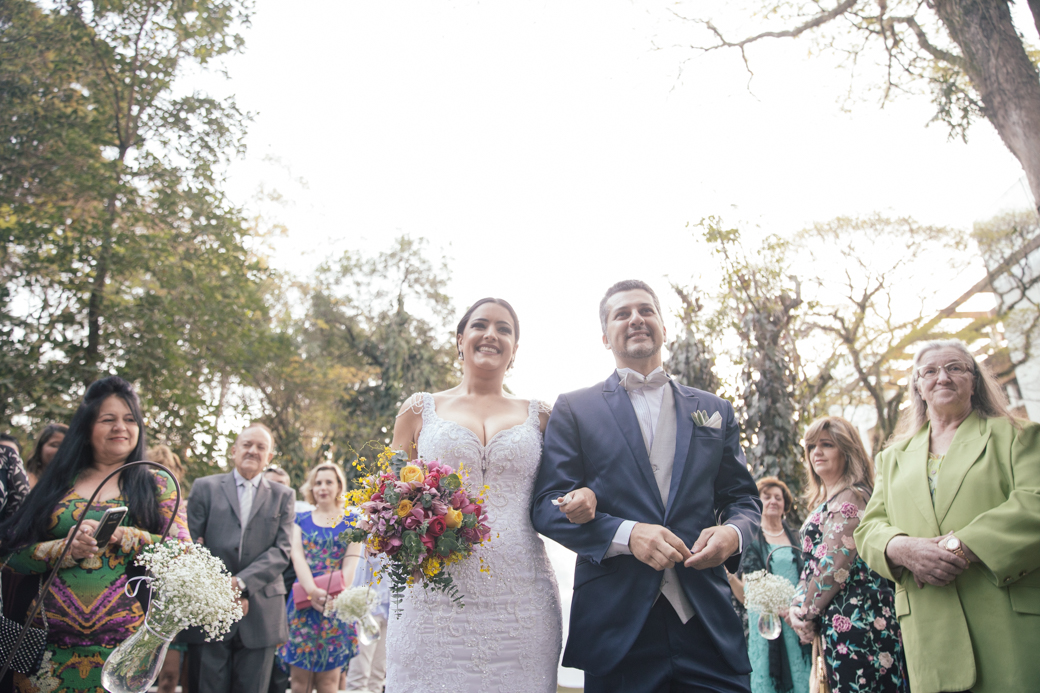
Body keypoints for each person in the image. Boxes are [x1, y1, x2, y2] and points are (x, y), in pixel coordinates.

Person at [531, 280, 762, 693]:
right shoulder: (575, 408)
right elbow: (547, 505)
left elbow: (742, 499)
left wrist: (733, 534)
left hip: (707, 624)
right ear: (605, 337)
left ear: (664, 328)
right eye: (622, 314)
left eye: (646, 310)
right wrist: (627, 534)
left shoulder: (714, 409)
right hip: (616, 629)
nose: (636, 319)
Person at [387, 297, 577, 690]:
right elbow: (389, 497)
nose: (491, 334)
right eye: (480, 325)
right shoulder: (419, 410)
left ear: (515, 348)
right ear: (460, 339)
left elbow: (565, 487)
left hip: (522, 599)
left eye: (504, 329)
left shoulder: (542, 416)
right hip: (435, 595)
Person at [855, 339, 1040, 693]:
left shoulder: (1017, 435)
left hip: (1009, 629)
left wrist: (960, 547)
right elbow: (869, 529)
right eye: (930, 371)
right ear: (918, 387)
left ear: (974, 381)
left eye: (955, 368)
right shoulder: (891, 458)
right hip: (930, 636)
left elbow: (1035, 502)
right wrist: (902, 548)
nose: (943, 377)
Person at [0, 376, 190, 692]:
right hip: (44, 655)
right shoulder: (57, 482)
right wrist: (61, 549)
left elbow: (184, 554)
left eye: (130, 419)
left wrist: (129, 536)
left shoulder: (158, 484)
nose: (120, 427)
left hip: (123, 658)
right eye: (108, 419)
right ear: (87, 427)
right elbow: (9, 555)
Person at [787, 417, 907, 693]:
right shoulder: (826, 501)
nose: (816, 452)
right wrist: (797, 606)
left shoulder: (853, 496)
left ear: (847, 451)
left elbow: (834, 566)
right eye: (811, 446)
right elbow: (811, 566)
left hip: (860, 620)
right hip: (834, 618)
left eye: (827, 445)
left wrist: (804, 613)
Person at [184, 422, 295, 693]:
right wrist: (221, 589)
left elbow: (281, 551)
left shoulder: (284, 496)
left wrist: (239, 584)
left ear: (269, 457)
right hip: (209, 610)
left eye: (261, 447)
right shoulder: (204, 488)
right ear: (234, 450)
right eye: (247, 444)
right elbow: (191, 546)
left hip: (261, 611)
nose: (253, 451)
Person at [277, 463, 360, 693]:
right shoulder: (299, 520)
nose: (323, 487)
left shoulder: (352, 522)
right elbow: (297, 557)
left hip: (336, 604)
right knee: (299, 683)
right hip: (303, 604)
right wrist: (313, 591)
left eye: (328, 482)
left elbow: (351, 564)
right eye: (318, 483)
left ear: (339, 486)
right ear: (311, 487)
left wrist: (334, 596)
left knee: (329, 683)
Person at [737, 477, 810, 693]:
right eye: (767, 497)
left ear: (785, 504)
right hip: (769, 622)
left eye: (778, 498)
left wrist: (798, 610)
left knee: (803, 676)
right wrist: (781, 610)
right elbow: (751, 587)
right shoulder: (751, 539)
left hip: (798, 619)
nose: (773, 501)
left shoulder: (797, 537)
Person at [147, 445, 189, 693]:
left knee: (170, 676)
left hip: (172, 603)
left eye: (168, 471)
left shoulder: (181, 508)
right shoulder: (136, 506)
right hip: (141, 596)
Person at [261, 464, 300, 693]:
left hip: (286, 617)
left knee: (277, 680)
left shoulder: (299, 527)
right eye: (271, 485)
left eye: (282, 486)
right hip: (250, 612)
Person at [342, 552, 389, 693]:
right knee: (359, 674)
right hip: (367, 612)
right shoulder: (367, 542)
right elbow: (358, 573)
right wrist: (359, 610)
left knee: (378, 674)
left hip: (391, 612)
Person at [24, 424, 67, 488]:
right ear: (39, 449)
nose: (61, 451)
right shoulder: (26, 483)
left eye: (66, 446)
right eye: (55, 445)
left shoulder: (77, 484)